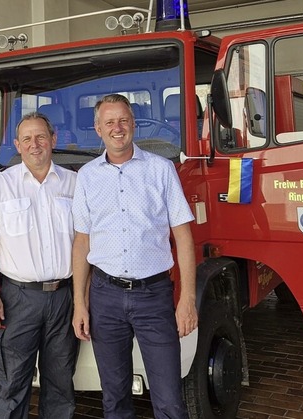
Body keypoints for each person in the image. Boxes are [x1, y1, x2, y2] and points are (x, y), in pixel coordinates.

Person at [71, 94, 198, 419]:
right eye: (109, 122)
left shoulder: (161, 170)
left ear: (134, 124)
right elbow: (82, 243)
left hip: (154, 297)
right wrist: (80, 303)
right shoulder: (87, 176)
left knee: (169, 400)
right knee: (114, 399)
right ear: (98, 128)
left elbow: (183, 236)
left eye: (124, 120)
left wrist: (187, 299)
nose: (118, 128)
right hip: (105, 298)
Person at [0, 112, 77, 418]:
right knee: (12, 385)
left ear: (53, 140)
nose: (35, 145)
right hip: (18, 299)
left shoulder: (74, 183)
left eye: (41, 137)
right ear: (17, 145)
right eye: (27, 139)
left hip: (63, 297)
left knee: (60, 384)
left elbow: (86, 243)